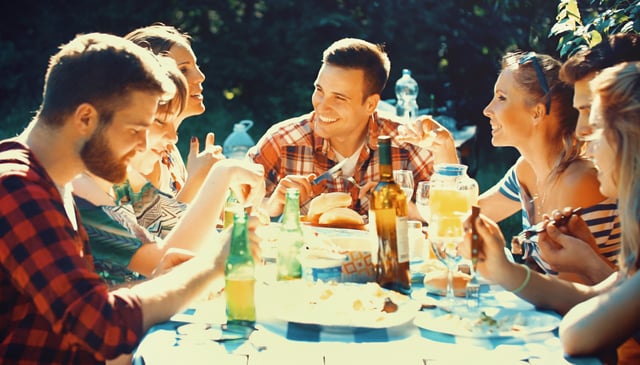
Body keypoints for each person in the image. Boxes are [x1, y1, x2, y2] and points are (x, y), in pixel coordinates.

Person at [0, 32, 265, 363]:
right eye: (135, 130)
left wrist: (158, 282)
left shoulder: (51, 179)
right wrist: (211, 265)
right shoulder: (15, 186)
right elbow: (101, 326)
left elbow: (71, 304)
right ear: (85, 118)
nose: (144, 145)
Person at [462, 61, 640, 364]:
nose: (586, 141)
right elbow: (597, 298)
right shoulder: (526, 169)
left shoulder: (579, 179)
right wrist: (506, 270)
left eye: (596, 128)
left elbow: (577, 331)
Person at [248, 37, 458, 219]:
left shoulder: (407, 143)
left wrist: (408, 208)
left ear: (370, 104)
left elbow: (454, 218)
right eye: (319, 90)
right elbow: (229, 208)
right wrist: (270, 206)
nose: (322, 105)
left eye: (339, 98)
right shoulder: (284, 141)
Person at [477, 51, 619, 284]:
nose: (487, 110)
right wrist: (446, 154)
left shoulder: (579, 182)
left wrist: (505, 271)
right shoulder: (527, 170)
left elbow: (569, 294)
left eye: (501, 98)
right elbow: (470, 215)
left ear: (537, 112)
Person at [530, 33, 640, 283]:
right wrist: (590, 259)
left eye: (595, 112)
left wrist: (503, 268)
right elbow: (626, 296)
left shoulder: (583, 180)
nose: (582, 130)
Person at [125, 23, 224, 204]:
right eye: (184, 70)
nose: (201, 76)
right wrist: (197, 180)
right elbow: (161, 229)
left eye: (196, 66)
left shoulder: (169, 150)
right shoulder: (141, 156)